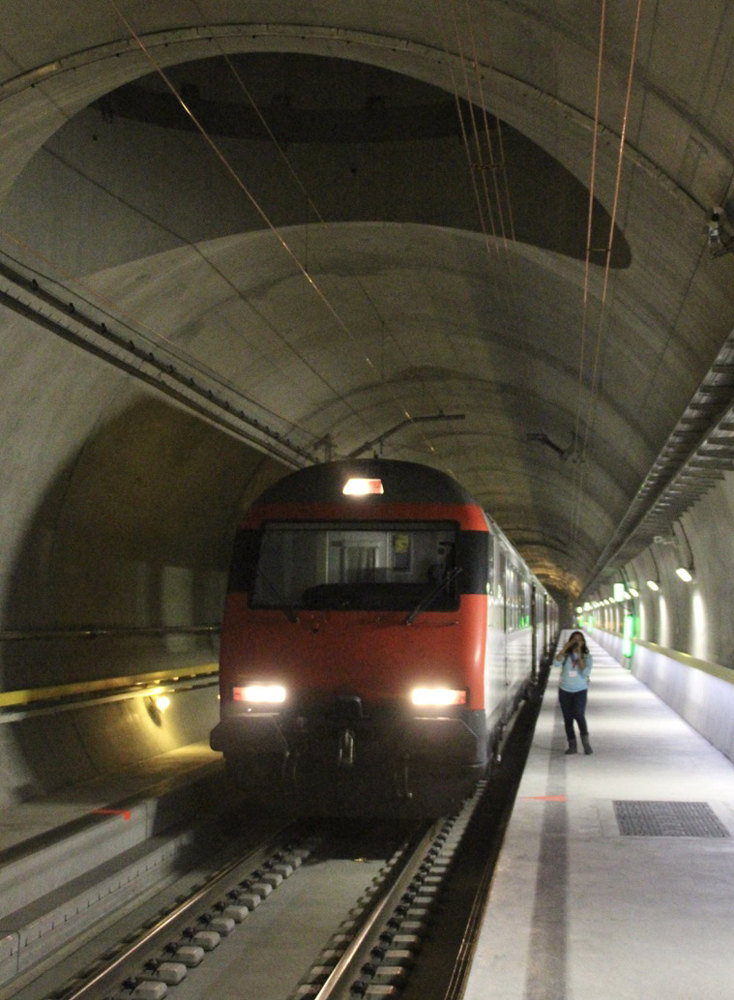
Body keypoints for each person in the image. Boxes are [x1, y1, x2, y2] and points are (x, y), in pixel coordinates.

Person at [555, 630, 593, 755]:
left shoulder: (587, 657)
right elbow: (556, 663)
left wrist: (580, 654)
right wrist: (565, 649)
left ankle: (585, 743)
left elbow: (585, 672)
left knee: (579, 714)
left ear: (583, 642)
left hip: (580, 691)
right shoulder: (566, 655)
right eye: (574, 640)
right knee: (568, 718)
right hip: (564, 690)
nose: (577, 642)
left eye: (579, 640)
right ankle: (572, 746)